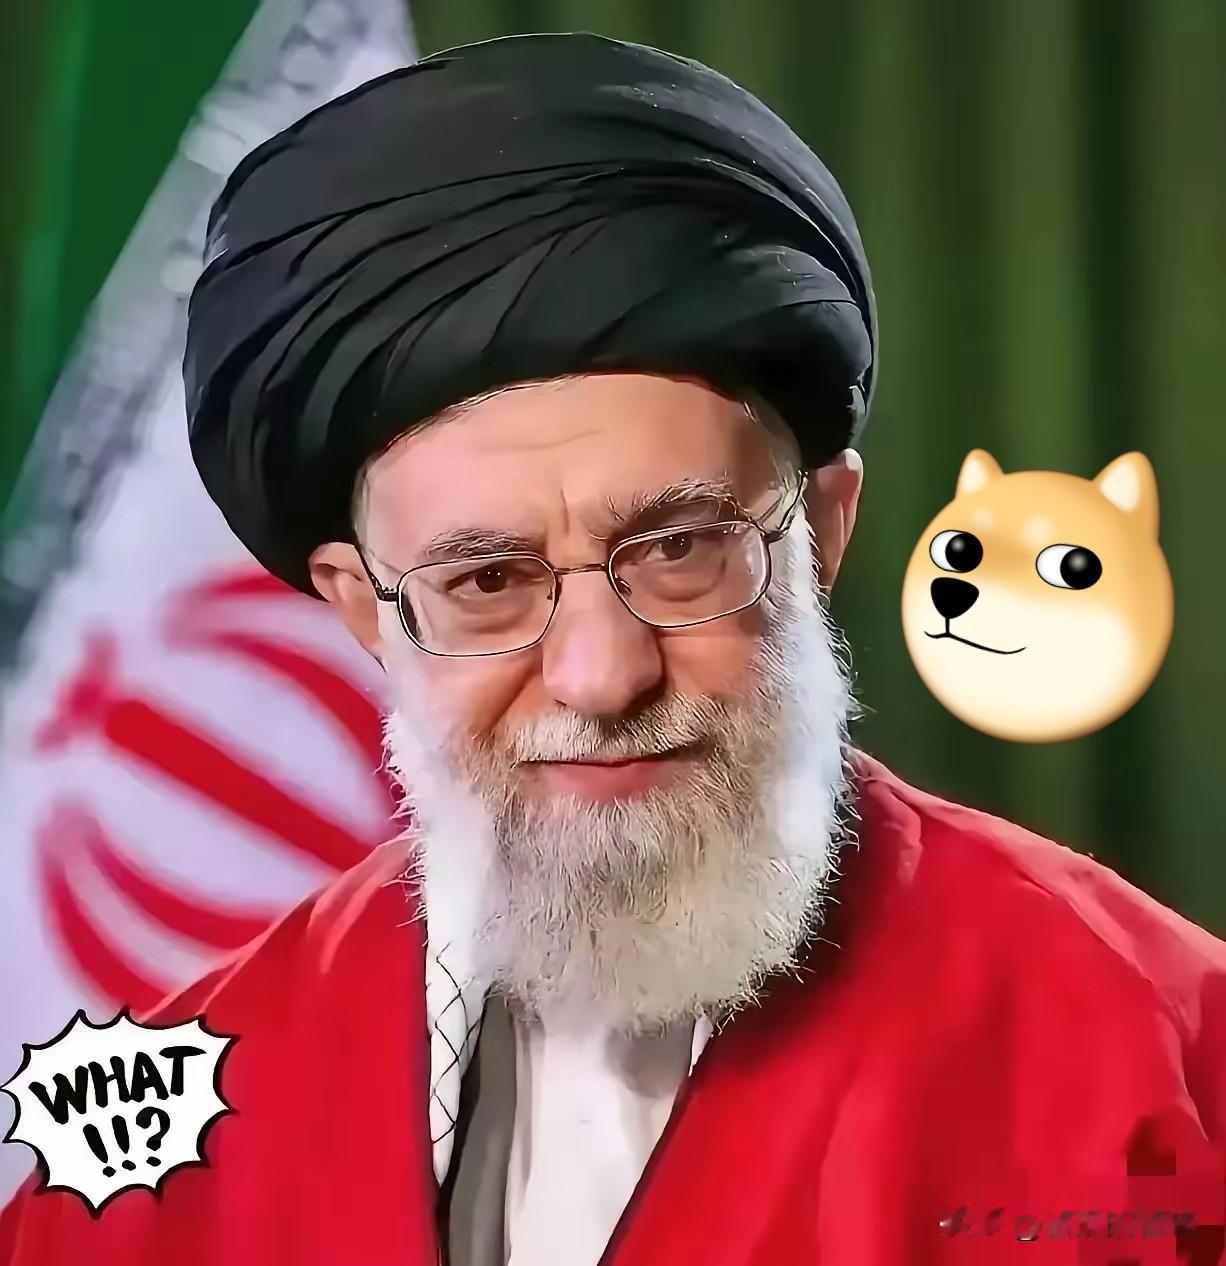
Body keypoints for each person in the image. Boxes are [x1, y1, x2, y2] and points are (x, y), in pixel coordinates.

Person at [3, 32, 1224, 1266]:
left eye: (680, 550)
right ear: (365, 609)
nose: (600, 676)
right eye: (486, 582)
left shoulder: (1165, 1066)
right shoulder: (140, 1175)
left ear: (820, 532)